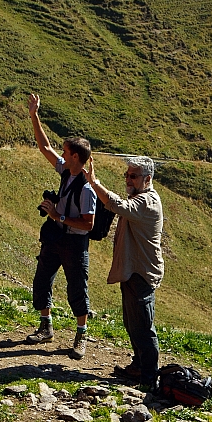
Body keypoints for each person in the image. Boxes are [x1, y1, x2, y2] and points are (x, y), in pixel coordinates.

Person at [23, 93, 96, 360]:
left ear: (75, 156)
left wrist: (57, 216)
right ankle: (46, 327)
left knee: (77, 288)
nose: (61, 155)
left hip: (75, 242)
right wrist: (34, 115)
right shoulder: (67, 170)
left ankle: (81, 335)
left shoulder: (87, 189)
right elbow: (44, 147)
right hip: (55, 238)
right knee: (42, 280)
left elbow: (88, 224)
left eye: (65, 152)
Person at [84, 155, 164, 388]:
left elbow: (119, 206)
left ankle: (149, 379)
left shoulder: (146, 202)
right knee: (132, 323)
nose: (128, 179)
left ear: (147, 179)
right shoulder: (141, 197)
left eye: (133, 176)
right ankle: (139, 367)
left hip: (142, 272)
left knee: (143, 327)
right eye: (127, 175)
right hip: (134, 270)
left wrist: (94, 183)